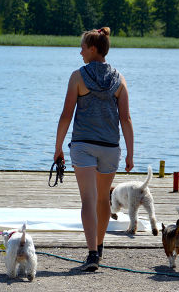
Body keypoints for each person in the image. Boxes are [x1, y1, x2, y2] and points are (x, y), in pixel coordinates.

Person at [54, 27, 134, 272]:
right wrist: (131, 152)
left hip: (83, 146)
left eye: (82, 48)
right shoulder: (119, 79)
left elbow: (67, 114)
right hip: (110, 147)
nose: (80, 52)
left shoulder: (78, 77)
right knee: (102, 199)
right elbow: (126, 119)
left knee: (87, 200)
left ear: (93, 49)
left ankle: (91, 253)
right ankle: (99, 247)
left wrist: (58, 148)